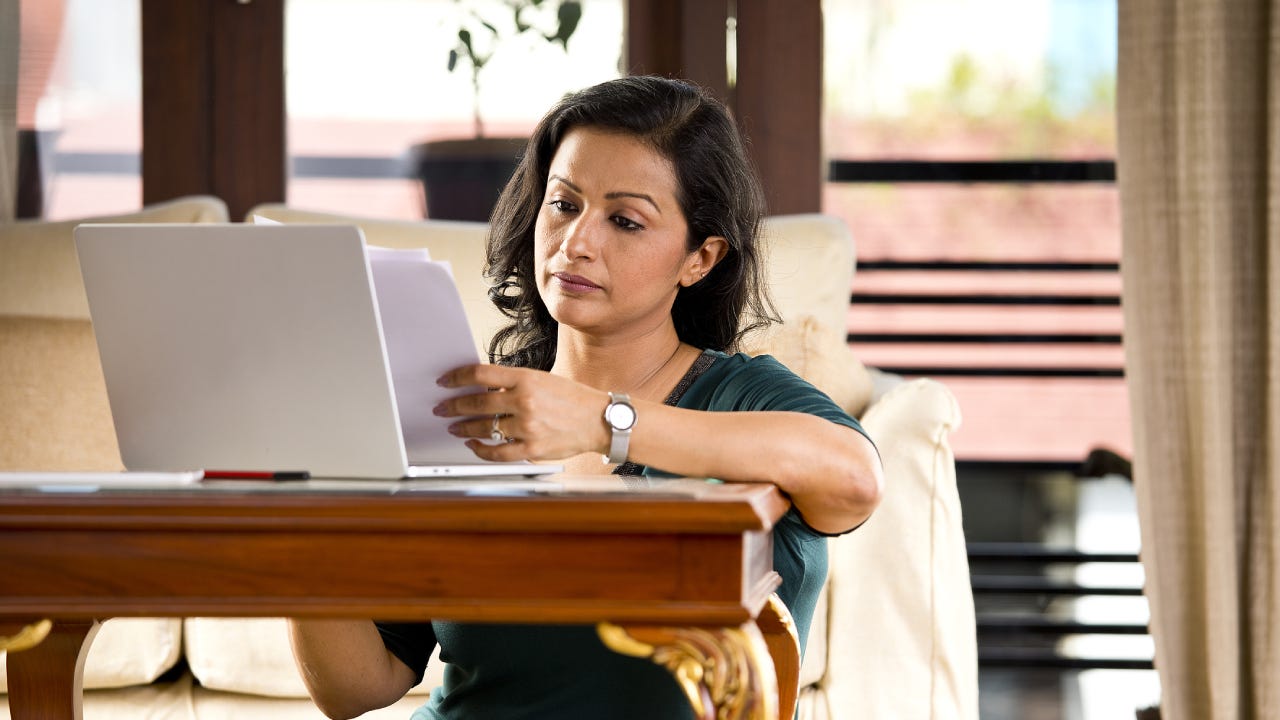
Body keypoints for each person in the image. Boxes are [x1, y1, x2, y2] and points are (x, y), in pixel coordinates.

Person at [289, 75, 883, 720]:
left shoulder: (742, 395)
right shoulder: (476, 409)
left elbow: (853, 479)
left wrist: (605, 422)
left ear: (700, 258)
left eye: (625, 220)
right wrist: (301, 508)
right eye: (564, 204)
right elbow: (353, 690)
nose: (576, 242)